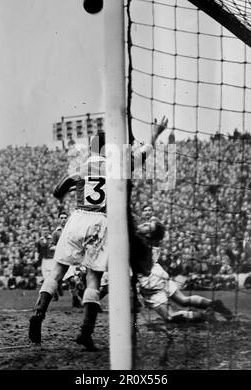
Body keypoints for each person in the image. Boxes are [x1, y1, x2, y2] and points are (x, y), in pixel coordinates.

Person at [29, 117, 168, 350]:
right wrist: (154, 135)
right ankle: (85, 332)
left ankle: (38, 313)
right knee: (93, 278)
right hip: (100, 223)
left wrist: (74, 186)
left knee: (57, 271)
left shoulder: (81, 169)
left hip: (78, 218)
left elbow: (57, 191)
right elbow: (142, 156)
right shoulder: (116, 168)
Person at [135, 206, 233, 323]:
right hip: (158, 272)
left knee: (170, 316)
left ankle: (204, 316)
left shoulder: (141, 242)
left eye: (146, 226)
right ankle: (213, 304)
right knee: (183, 300)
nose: (143, 225)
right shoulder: (151, 239)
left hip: (150, 281)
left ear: (149, 235)